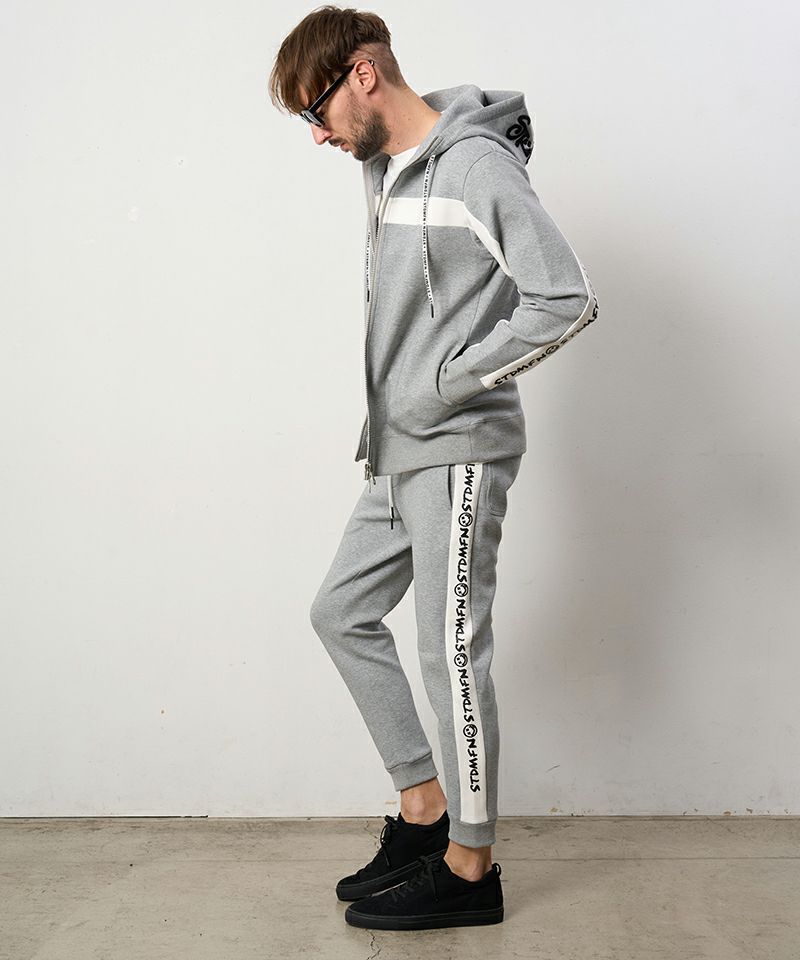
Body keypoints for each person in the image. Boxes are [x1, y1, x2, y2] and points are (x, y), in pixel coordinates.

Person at [268, 5, 598, 931]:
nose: (318, 135)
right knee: (340, 612)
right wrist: (401, 406)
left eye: (316, 112)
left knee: (449, 651)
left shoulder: (476, 167)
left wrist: (450, 382)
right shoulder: (385, 164)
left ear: (363, 75)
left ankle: (470, 864)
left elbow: (566, 297)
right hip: (396, 449)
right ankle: (425, 810)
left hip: (458, 449)